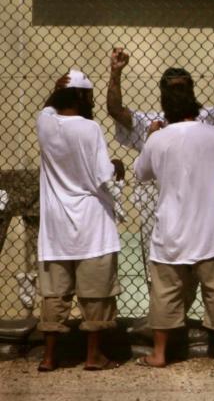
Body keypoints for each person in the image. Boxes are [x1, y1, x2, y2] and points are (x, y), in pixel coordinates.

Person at [132, 77, 214, 368]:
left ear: (164, 106)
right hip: (208, 231)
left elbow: (141, 173)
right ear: (194, 101)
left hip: (169, 232)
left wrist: (150, 136)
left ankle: (159, 354)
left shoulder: (157, 139)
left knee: (165, 293)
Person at [35, 70, 125, 372]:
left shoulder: (44, 124)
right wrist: (117, 166)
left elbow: (47, 107)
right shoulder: (90, 129)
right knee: (95, 292)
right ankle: (93, 355)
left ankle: (48, 356)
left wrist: (55, 88)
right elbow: (102, 176)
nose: (93, 101)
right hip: (91, 223)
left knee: (54, 292)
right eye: (89, 95)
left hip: (56, 224)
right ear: (81, 97)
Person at [105, 47, 214, 151]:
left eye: (181, 89)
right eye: (172, 90)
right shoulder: (153, 123)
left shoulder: (204, 118)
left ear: (191, 91)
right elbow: (115, 111)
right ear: (163, 94)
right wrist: (116, 73)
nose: (177, 95)